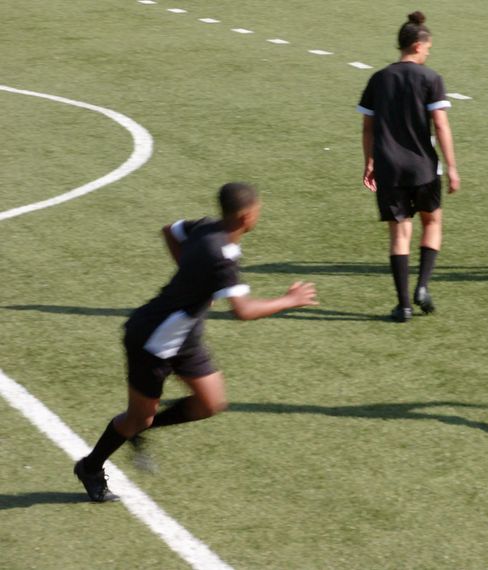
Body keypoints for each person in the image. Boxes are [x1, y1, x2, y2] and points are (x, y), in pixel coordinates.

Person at [74, 182, 318, 502]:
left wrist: (193, 278)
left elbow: (171, 231)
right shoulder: (222, 255)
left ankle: (137, 430)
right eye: (258, 209)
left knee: (211, 402)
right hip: (151, 340)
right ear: (246, 216)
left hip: (185, 337)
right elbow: (243, 311)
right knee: (138, 417)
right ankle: (90, 466)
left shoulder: (207, 227)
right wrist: (289, 300)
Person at [358, 11, 460, 322]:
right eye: (428, 47)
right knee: (432, 223)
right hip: (424, 168)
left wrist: (369, 162)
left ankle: (403, 305)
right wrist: (453, 167)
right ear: (417, 45)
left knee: (400, 233)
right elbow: (440, 126)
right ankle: (423, 287)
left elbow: (367, 128)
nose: (428, 52)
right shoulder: (430, 78)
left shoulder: (379, 79)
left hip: (390, 169)